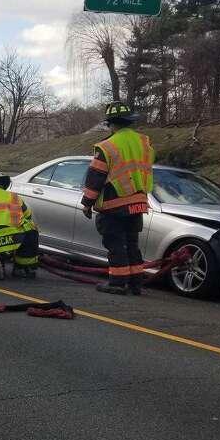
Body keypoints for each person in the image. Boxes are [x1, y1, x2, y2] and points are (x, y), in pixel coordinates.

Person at [80, 101, 155, 296]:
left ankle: (117, 283)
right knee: (132, 244)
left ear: (111, 124)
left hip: (114, 203)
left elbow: (96, 176)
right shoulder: (144, 142)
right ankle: (136, 284)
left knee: (115, 244)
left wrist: (87, 203)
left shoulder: (107, 146)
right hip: (138, 202)